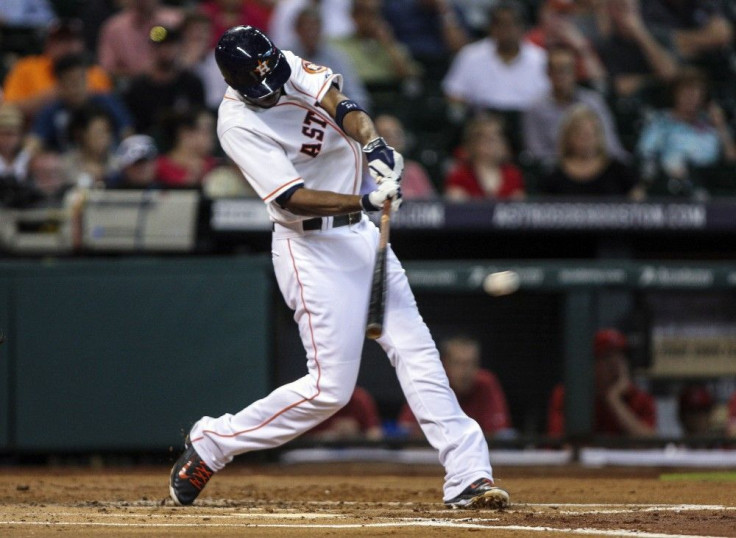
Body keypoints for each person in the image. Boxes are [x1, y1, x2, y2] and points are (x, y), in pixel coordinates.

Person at [169, 25, 509, 511]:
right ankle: (214, 443)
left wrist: (374, 146)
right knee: (330, 390)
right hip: (309, 250)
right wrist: (367, 197)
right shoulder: (236, 122)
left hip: (361, 237)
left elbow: (343, 108)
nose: (273, 85)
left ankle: (468, 474)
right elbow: (292, 198)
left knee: (418, 352)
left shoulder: (283, 63)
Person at [523, 45, 628, 168]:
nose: (561, 76)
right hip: (558, 174)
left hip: (598, 170)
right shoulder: (535, 109)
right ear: (548, 73)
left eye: (566, 69)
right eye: (557, 70)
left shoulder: (594, 102)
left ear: (575, 72)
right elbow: (537, 154)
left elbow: (611, 145)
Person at [636, 67, 736, 197]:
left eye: (696, 91)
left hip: (708, 183)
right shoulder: (660, 121)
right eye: (686, 91)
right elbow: (645, 154)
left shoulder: (711, 124)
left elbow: (731, 160)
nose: (691, 97)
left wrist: (721, 126)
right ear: (675, 93)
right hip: (667, 183)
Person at [442, 1, 549, 114]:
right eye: (500, 24)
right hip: (482, 117)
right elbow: (453, 91)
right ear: (491, 27)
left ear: (523, 28)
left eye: (512, 24)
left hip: (527, 120)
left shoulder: (540, 59)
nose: (506, 30)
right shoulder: (470, 55)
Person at [397, 336, 513, 439]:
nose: (465, 371)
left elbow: (501, 434)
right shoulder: (431, 384)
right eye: (458, 363)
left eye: (471, 363)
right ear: (445, 364)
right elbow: (405, 430)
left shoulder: (486, 383)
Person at [547, 328, 656, 437]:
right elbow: (561, 442)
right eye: (606, 357)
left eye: (620, 356)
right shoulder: (568, 395)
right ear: (591, 363)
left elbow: (650, 444)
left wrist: (614, 400)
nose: (615, 364)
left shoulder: (640, 398)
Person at [2, 18, 113, 118]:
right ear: (48, 44)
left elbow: (111, 109)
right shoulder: (27, 68)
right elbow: (7, 109)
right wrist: (50, 96)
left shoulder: (95, 73)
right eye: (60, 40)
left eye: (72, 40)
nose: (67, 46)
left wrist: (78, 93)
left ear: (82, 44)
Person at [29, 53, 133, 153]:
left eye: (82, 79)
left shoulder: (107, 102)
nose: (79, 87)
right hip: (69, 166)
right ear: (60, 85)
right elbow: (33, 143)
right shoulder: (51, 112)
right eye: (72, 82)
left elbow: (127, 133)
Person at [539, 104, 643, 198]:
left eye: (590, 134)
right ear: (568, 137)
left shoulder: (619, 171)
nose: (586, 140)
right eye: (580, 134)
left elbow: (641, 207)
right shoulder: (553, 175)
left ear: (599, 136)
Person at [122, 25, 206, 136]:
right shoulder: (138, 88)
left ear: (179, 47)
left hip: (185, 142)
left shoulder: (191, 83)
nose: (165, 51)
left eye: (170, 45)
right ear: (152, 49)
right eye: (160, 46)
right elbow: (131, 126)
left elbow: (201, 118)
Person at [291, 6, 371, 113]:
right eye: (306, 27)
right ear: (296, 30)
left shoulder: (337, 57)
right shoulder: (288, 58)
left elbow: (357, 95)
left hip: (333, 116)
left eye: (314, 27)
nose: (310, 32)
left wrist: (349, 116)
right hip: (295, 115)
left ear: (321, 29)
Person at [330, 0, 421, 90]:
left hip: (391, 93)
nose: (369, 19)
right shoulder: (339, 45)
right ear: (353, 16)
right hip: (362, 93)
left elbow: (409, 75)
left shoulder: (390, 44)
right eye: (363, 13)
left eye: (374, 14)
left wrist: (388, 44)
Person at [97, 0, 183, 82]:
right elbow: (106, 69)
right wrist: (142, 74)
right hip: (129, 88)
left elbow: (188, 59)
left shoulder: (175, 21)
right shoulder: (114, 28)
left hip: (173, 83)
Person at [444, 114, 524, 200]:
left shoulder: (513, 174)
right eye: (487, 140)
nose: (492, 145)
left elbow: (519, 206)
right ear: (472, 143)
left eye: (497, 139)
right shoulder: (459, 175)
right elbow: (455, 206)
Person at [374, 114, 436, 199]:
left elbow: (431, 205)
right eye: (387, 136)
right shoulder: (363, 173)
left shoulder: (414, 171)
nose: (394, 140)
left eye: (397, 134)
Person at [155, 109, 218, 189]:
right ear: (185, 134)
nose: (212, 137)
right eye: (207, 131)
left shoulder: (215, 165)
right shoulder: (159, 167)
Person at [61, 105, 116, 189]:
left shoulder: (117, 165)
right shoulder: (65, 165)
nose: (105, 138)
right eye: (98, 132)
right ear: (80, 134)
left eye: (107, 132)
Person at [305, 386, 384, 441]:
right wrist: (329, 435)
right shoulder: (315, 401)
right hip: (320, 455)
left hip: (356, 454)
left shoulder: (360, 398)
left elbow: (376, 434)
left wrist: (357, 435)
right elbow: (301, 439)